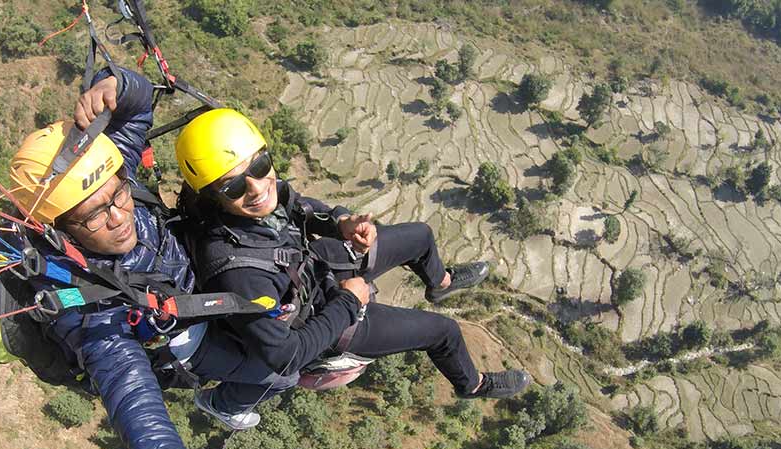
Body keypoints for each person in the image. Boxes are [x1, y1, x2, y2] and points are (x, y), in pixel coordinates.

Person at [9, 69, 295, 449]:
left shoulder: (103, 172)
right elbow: (137, 410)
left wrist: (118, 84)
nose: (118, 217)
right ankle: (220, 401)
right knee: (283, 372)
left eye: (119, 196)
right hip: (188, 338)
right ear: (59, 229)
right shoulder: (86, 305)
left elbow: (139, 107)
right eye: (92, 218)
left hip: (199, 276)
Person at [173, 108, 533, 400]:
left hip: (314, 267)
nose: (256, 188)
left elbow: (298, 206)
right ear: (211, 196)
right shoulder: (236, 273)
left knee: (420, 237)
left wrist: (340, 222)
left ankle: (441, 282)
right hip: (325, 321)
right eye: (234, 186)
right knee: (444, 331)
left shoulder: (262, 197)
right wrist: (347, 303)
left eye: (259, 166)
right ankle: (473, 384)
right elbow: (286, 358)